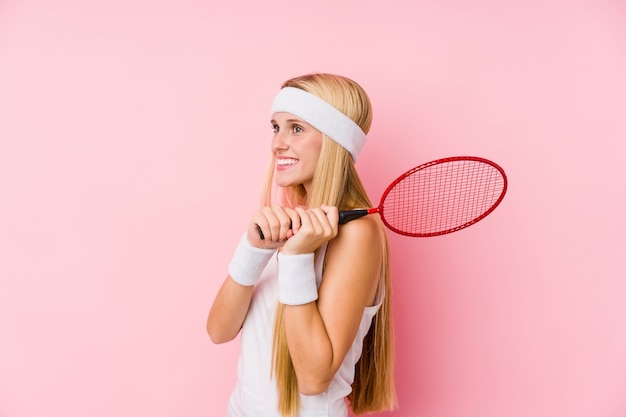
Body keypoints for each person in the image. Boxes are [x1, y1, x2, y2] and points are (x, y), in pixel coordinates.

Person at [207, 73, 396, 417]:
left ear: (335, 141)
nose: (278, 143)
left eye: (296, 128)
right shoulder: (287, 223)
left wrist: (296, 258)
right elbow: (219, 331)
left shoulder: (357, 234)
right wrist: (253, 249)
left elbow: (313, 377)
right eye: (275, 127)